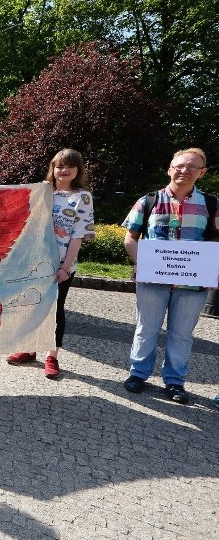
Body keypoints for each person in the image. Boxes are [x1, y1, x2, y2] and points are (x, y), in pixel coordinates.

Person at [121, 147, 217, 404]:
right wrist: (145, 264)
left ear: (202, 172)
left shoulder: (211, 204)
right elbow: (130, 238)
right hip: (152, 281)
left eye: (192, 167)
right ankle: (138, 374)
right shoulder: (148, 200)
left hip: (192, 284)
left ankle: (175, 381)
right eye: (179, 166)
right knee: (146, 328)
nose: (184, 171)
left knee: (182, 334)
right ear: (169, 169)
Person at [6, 149, 95, 379]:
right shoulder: (42, 193)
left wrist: (66, 267)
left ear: (78, 170)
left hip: (61, 265)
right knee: (31, 304)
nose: (63, 171)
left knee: (55, 310)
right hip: (35, 262)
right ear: (52, 169)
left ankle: (52, 355)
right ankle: (29, 348)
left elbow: (78, 234)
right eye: (59, 166)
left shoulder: (82, 197)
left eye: (69, 166)